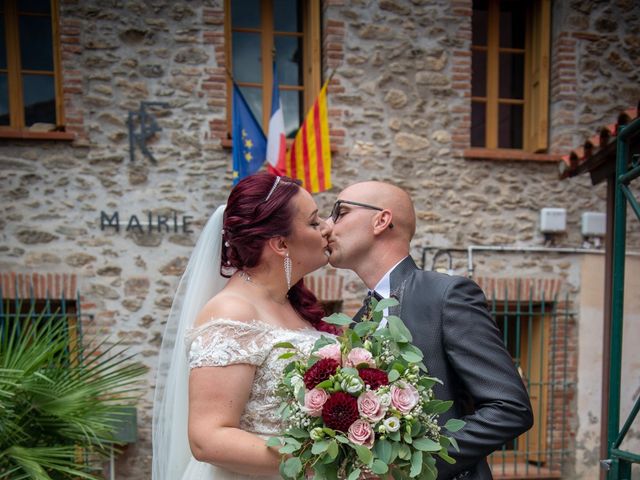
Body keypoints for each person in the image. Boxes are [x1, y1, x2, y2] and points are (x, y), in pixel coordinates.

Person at [326, 181, 533, 480]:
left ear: (381, 221)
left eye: (339, 213)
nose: (327, 227)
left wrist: (415, 468)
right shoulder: (359, 321)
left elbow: (510, 407)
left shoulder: (446, 295)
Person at [152, 172, 338, 480]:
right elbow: (208, 438)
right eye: (314, 222)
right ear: (280, 243)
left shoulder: (291, 304)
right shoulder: (233, 311)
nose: (327, 228)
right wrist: (323, 459)